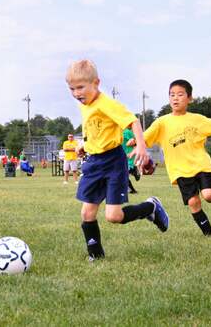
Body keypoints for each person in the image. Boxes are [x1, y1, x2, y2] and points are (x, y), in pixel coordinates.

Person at [66, 59, 169, 261]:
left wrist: (141, 146)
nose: (76, 93)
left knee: (114, 216)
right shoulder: (84, 105)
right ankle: (96, 255)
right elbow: (95, 131)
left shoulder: (107, 104)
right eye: (72, 89)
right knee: (87, 213)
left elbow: (133, 122)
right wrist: (83, 145)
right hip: (93, 163)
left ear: (96, 83)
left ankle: (151, 207)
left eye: (80, 87)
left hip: (113, 162)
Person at [130, 79, 211, 237]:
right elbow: (146, 137)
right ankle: (209, 235)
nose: (175, 98)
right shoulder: (162, 122)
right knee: (193, 202)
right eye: (172, 95)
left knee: (209, 196)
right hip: (180, 170)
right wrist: (136, 140)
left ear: (189, 98)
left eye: (180, 94)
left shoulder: (197, 119)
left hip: (201, 165)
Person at [122, 127, 139, 194]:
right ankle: (132, 190)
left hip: (129, 156)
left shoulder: (127, 132)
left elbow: (136, 143)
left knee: (123, 174)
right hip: (122, 157)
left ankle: (134, 170)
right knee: (123, 174)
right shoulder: (116, 132)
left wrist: (134, 151)